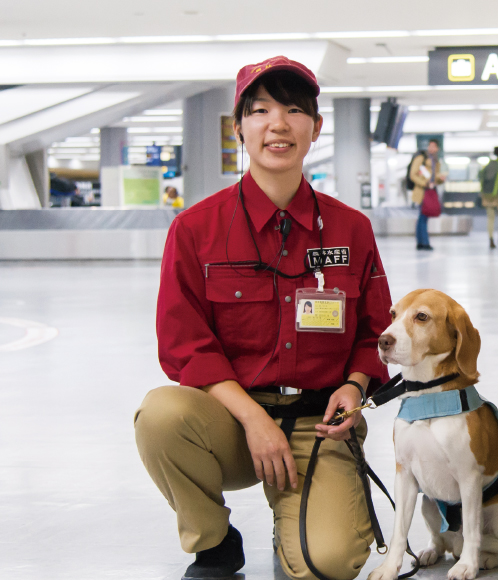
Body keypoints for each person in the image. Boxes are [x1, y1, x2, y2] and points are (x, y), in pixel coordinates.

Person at [134, 56, 393, 580]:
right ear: (239, 129)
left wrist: (356, 383)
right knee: (161, 415)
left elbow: (374, 331)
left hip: (319, 426)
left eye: (295, 111)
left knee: (330, 565)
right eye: (260, 111)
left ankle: (296, 522)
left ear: (315, 128)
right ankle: (214, 544)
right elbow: (185, 347)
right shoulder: (195, 230)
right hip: (230, 424)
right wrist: (253, 420)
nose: (278, 124)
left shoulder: (351, 230)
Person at [409, 139, 445, 251]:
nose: (432, 148)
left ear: (437, 148)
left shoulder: (436, 161)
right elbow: (412, 175)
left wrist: (440, 179)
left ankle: (421, 242)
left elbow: (434, 178)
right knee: (423, 216)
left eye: (434, 146)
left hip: (431, 191)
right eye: (430, 146)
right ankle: (424, 242)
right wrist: (424, 183)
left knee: (423, 217)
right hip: (422, 191)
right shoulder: (421, 159)